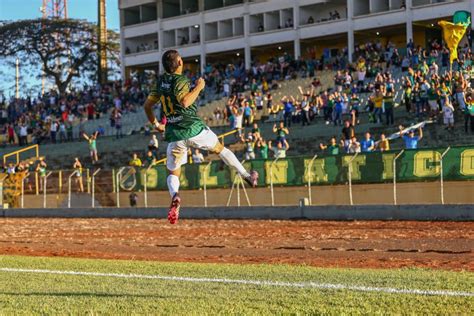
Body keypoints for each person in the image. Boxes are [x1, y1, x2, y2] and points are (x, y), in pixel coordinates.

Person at [143, 49, 258, 224]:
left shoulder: (161, 83)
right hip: (194, 128)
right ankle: (246, 175)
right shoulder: (181, 80)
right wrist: (199, 87)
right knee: (220, 149)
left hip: (175, 134)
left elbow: (147, 106)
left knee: (173, 171)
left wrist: (157, 125)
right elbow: (185, 102)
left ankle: (175, 196)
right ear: (180, 62)